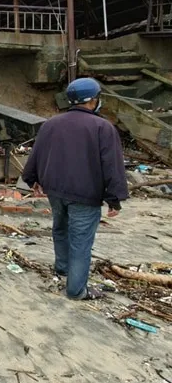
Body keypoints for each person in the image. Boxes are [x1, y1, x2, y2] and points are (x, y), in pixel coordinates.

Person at [22, 78, 128, 300]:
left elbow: (36, 153)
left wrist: (32, 180)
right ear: (93, 101)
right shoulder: (103, 127)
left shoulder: (51, 123)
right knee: (81, 240)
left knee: (60, 229)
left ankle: (62, 269)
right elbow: (112, 165)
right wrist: (115, 198)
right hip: (85, 194)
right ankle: (77, 290)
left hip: (56, 191)